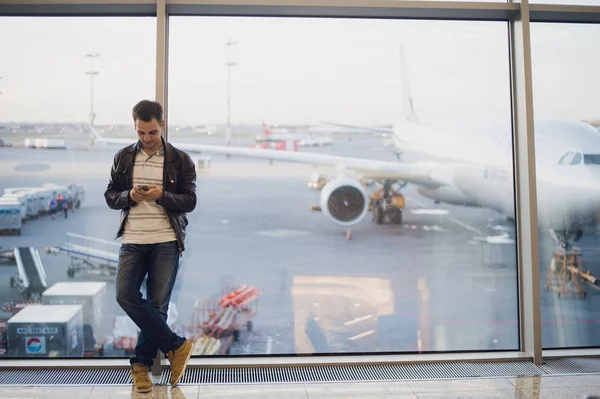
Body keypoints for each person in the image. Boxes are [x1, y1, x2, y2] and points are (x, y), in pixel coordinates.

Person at [104, 100, 196, 393]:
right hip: (133, 238)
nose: (146, 138)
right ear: (135, 127)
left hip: (166, 239)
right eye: (141, 132)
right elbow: (110, 196)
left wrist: (161, 195)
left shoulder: (180, 160)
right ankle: (176, 346)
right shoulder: (122, 158)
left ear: (163, 126)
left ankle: (141, 367)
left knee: (158, 306)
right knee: (125, 295)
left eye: (152, 132)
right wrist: (129, 195)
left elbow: (190, 202)